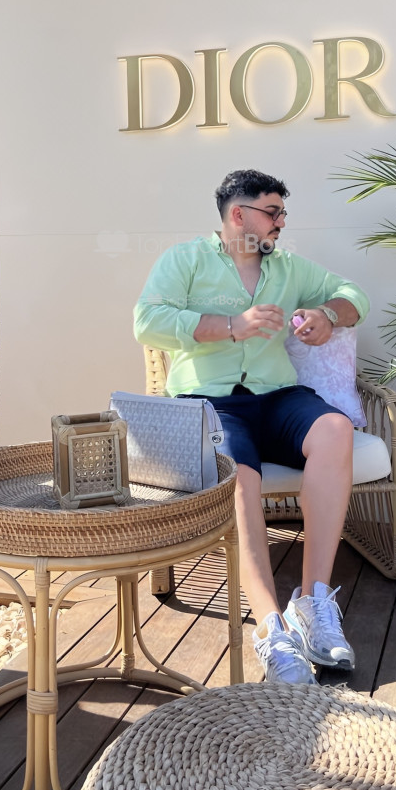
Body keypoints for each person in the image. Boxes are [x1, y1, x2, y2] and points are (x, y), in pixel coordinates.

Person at [133, 169, 369, 684]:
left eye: (283, 212)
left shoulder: (289, 268)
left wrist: (328, 314)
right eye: (273, 212)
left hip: (278, 396)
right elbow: (146, 321)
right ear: (238, 214)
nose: (281, 222)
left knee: (335, 430)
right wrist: (229, 327)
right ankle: (270, 626)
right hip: (209, 400)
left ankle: (313, 603)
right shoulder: (185, 260)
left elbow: (353, 294)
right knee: (240, 474)